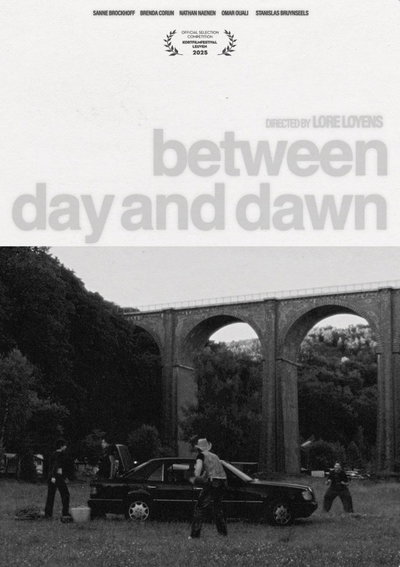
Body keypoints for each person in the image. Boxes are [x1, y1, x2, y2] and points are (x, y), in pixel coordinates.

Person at [189, 438, 228, 538]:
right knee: (217, 508)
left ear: (199, 449)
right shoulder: (215, 456)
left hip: (213, 482)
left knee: (199, 507)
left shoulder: (201, 456)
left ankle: (194, 535)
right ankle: (223, 533)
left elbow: (198, 470)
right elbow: (209, 471)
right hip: (223, 481)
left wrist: (195, 477)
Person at [44, 439, 71, 520]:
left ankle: (48, 514)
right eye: (65, 445)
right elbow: (56, 466)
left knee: (50, 495)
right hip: (57, 477)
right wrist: (54, 476)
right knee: (65, 494)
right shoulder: (60, 455)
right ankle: (65, 512)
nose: (66, 447)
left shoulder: (53, 454)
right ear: (61, 446)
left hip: (52, 477)